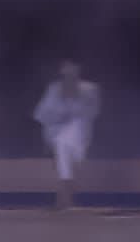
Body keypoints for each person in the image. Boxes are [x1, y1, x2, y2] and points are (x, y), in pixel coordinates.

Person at [33, 59, 102, 210]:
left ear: (78, 69)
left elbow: (94, 110)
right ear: (62, 70)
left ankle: (67, 201)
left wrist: (76, 111)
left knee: (75, 169)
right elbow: (41, 113)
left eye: (72, 68)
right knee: (64, 170)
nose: (69, 71)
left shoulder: (89, 89)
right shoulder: (54, 88)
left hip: (79, 135)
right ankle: (63, 202)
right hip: (59, 134)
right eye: (66, 68)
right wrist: (57, 118)